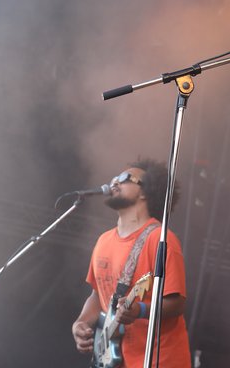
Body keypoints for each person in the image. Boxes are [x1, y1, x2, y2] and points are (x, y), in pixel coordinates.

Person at [72, 158, 191, 368]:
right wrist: (80, 323)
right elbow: (97, 295)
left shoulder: (161, 239)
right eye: (115, 178)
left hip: (159, 361)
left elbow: (177, 303)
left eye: (126, 178)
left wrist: (141, 310)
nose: (115, 182)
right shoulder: (103, 241)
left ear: (145, 192)